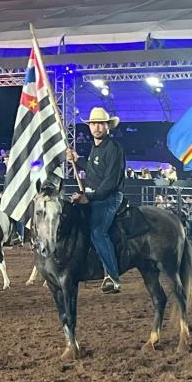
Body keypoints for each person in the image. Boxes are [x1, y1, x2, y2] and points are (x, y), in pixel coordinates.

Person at [70, 107, 126, 293]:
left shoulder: (114, 148)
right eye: (94, 124)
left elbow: (110, 182)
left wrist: (88, 197)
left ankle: (112, 276)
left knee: (97, 231)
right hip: (94, 197)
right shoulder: (95, 148)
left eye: (101, 124)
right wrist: (78, 160)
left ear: (108, 126)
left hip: (109, 198)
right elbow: (95, 171)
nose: (97, 127)